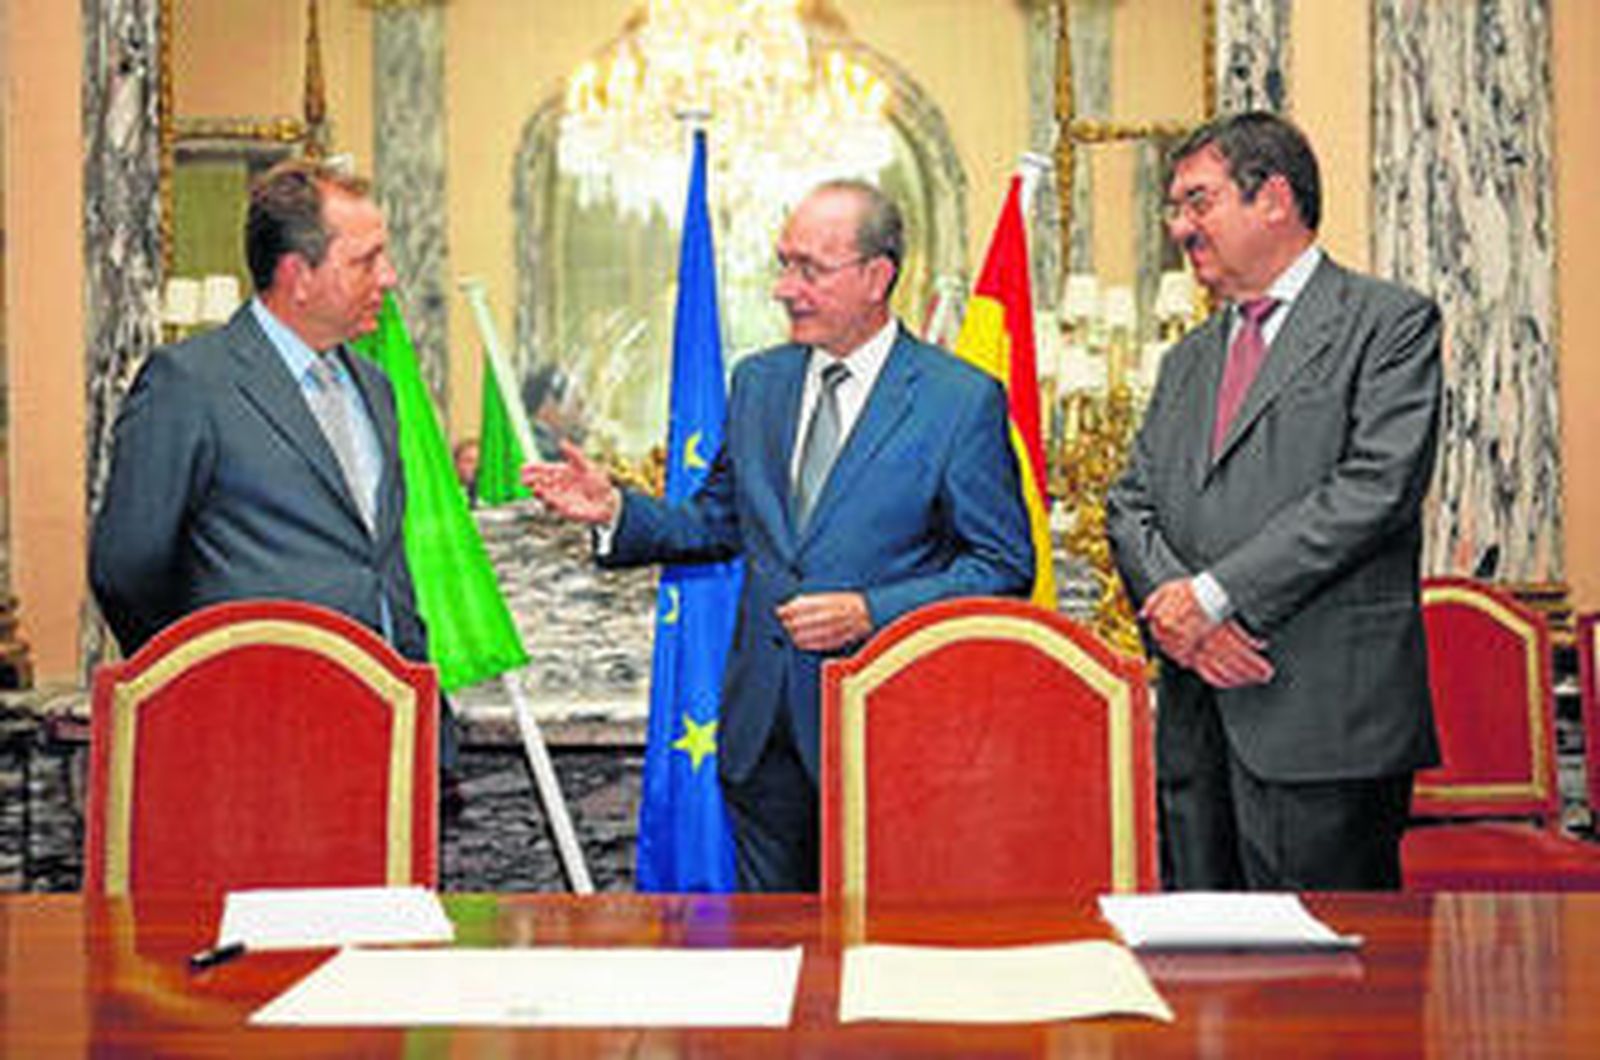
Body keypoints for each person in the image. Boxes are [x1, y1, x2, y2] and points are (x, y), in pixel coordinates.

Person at [525, 180, 1035, 891]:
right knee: (778, 953)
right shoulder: (759, 383)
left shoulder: (958, 400)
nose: (784, 288)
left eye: (809, 269)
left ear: (876, 276)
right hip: (763, 736)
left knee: (882, 956)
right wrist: (616, 510)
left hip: (887, 731)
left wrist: (870, 611)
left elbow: (1002, 566)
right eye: (783, 263)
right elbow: (717, 520)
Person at [1105, 111, 1443, 890]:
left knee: (1326, 993)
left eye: (1197, 201)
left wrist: (1217, 598)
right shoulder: (1189, 358)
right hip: (1197, 719)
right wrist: (1182, 618)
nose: (1179, 228)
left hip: (1322, 717)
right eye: (1174, 208)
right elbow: (1131, 503)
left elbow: (1374, 488)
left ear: (1275, 199)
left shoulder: (1386, 323)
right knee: (1202, 981)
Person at [90, 159, 430, 672]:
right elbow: (127, 570)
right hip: (252, 725)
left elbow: (378, 563)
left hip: (387, 721)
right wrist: (201, 682)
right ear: (297, 275)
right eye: (366, 260)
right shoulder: (190, 384)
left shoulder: (374, 388)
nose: (389, 276)